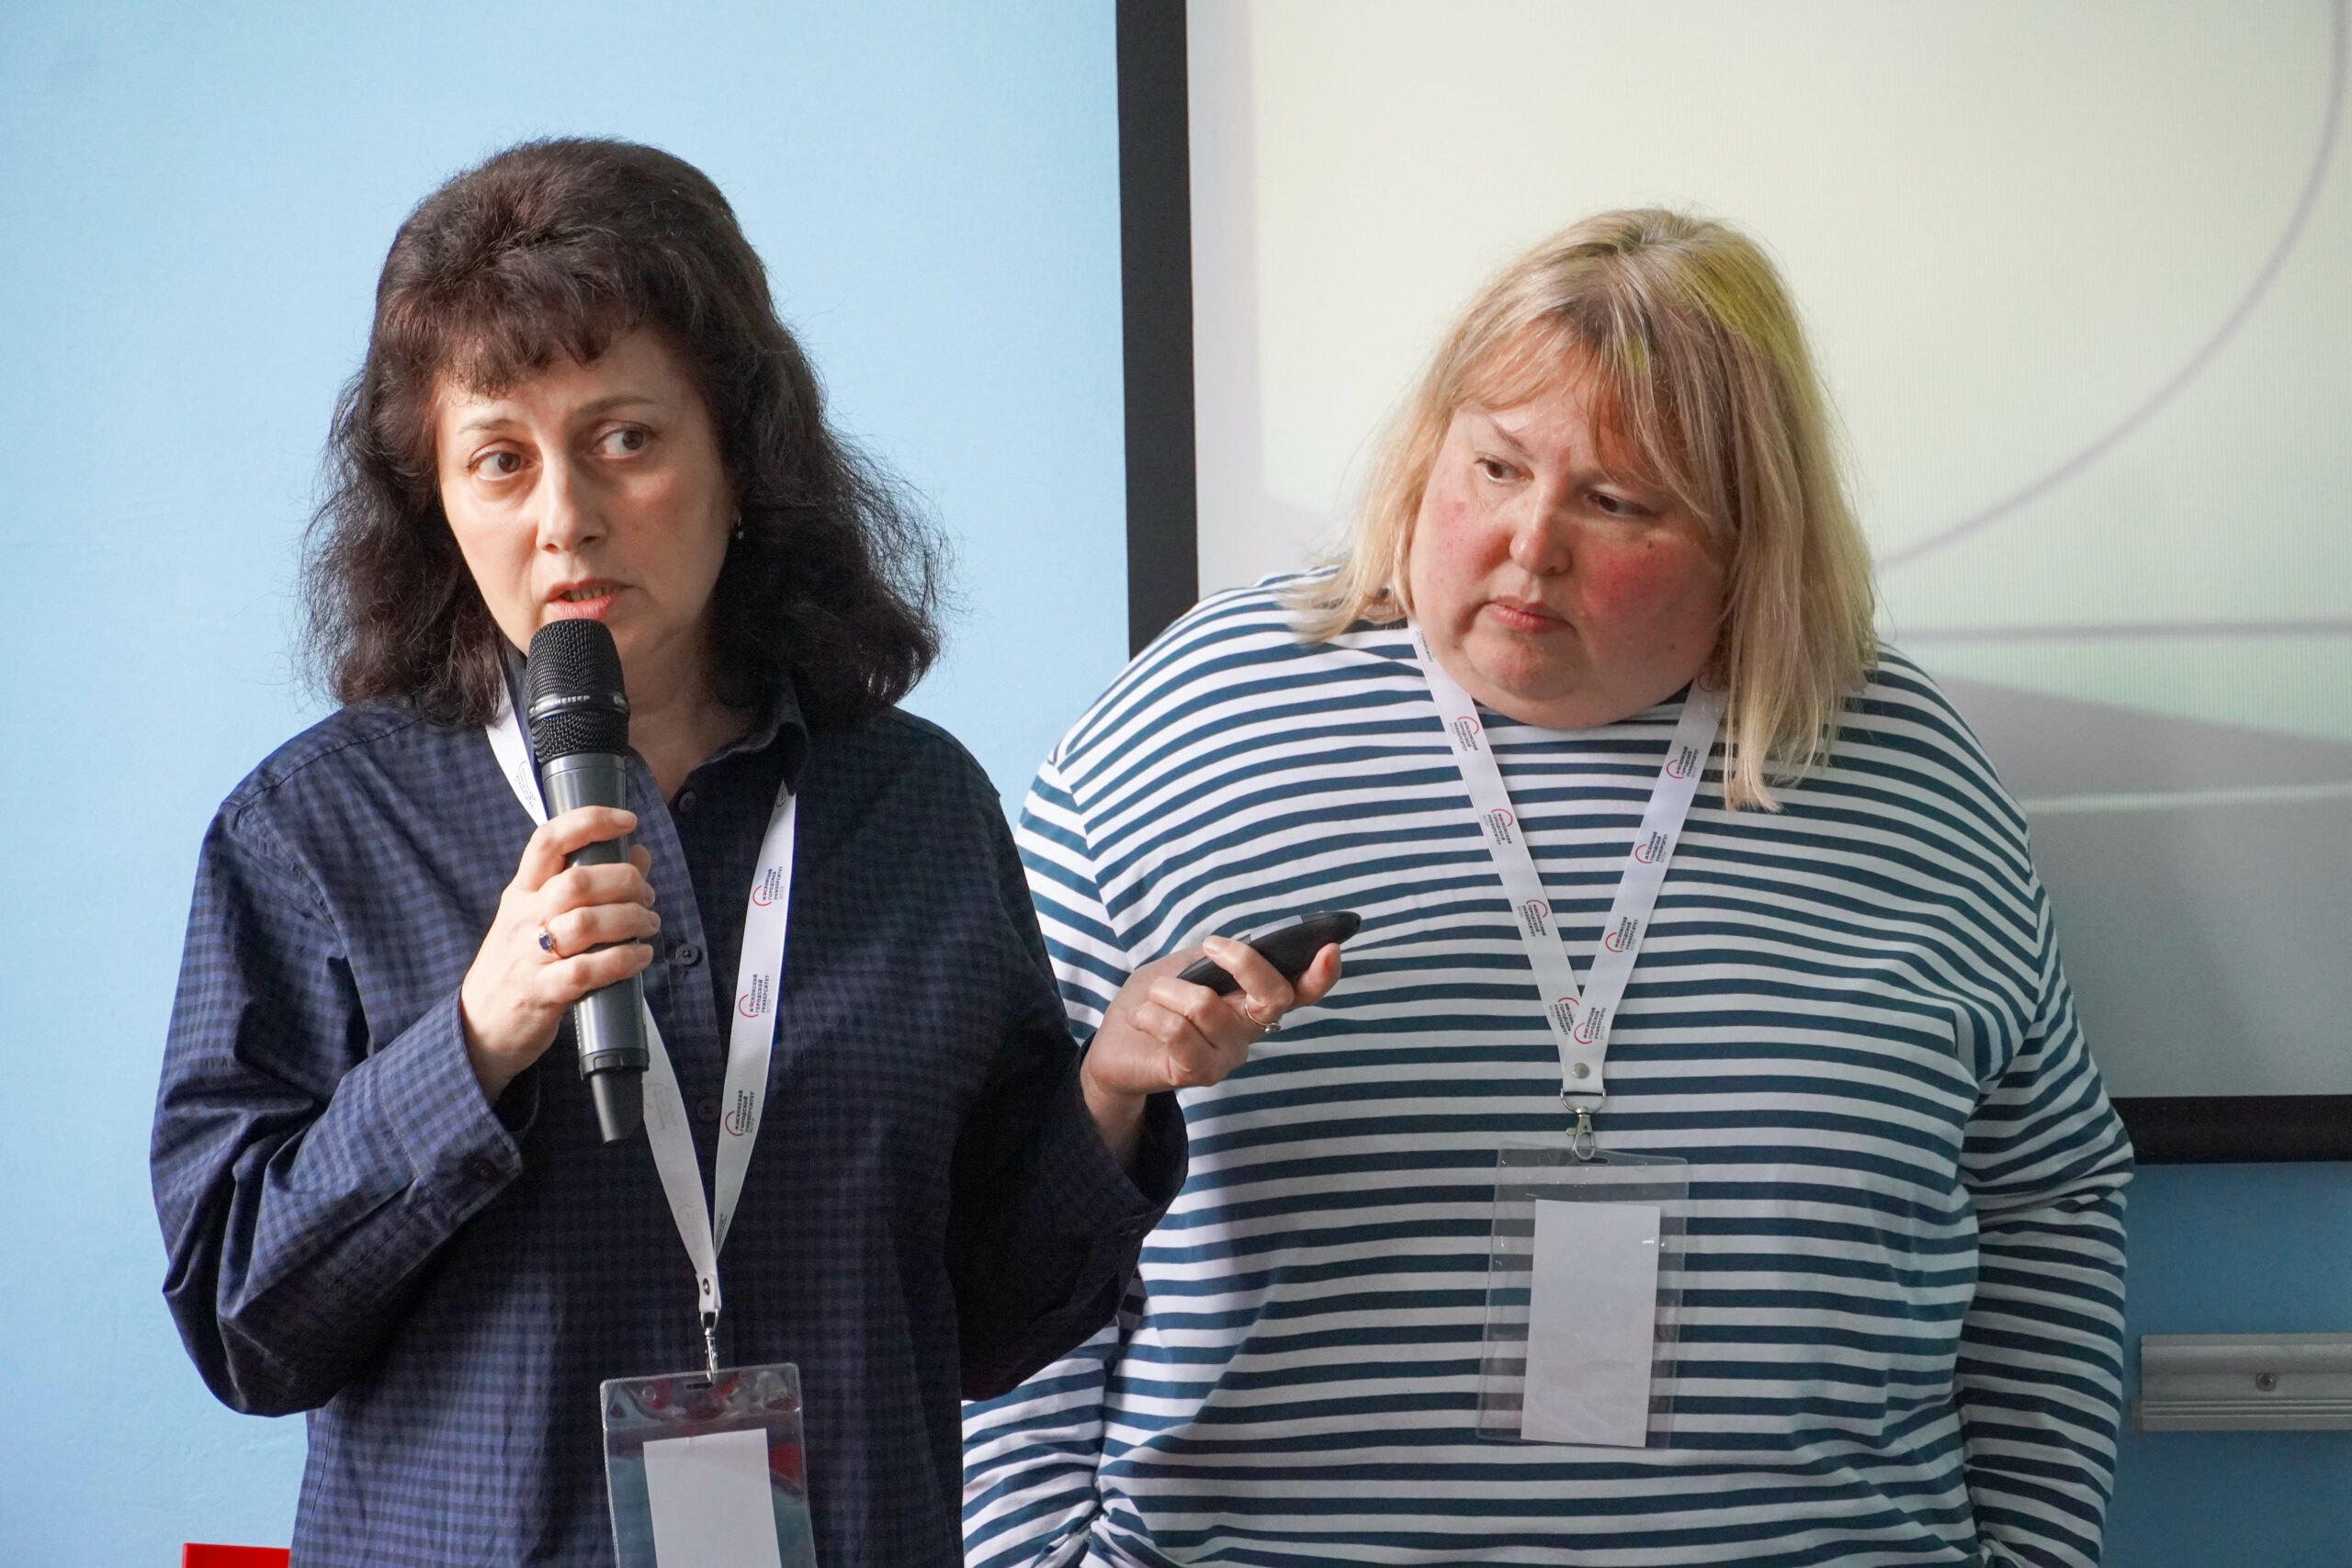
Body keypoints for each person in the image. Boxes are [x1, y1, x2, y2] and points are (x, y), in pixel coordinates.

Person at [151, 138, 1334, 1568]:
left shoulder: (913, 807)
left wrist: (1112, 1092)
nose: (565, 519)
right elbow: (244, 1330)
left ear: (739, 453)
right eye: (500, 460)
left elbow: (988, 1323)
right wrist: (471, 1041)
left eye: (624, 440)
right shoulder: (313, 831)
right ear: (436, 499)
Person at [964, 209, 2132, 1568]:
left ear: (1751, 537)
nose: (1531, 544)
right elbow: (1000, 1177)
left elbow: (2049, 1201)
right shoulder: (1191, 723)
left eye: (1617, 502)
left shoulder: (1902, 770)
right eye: (1497, 466)